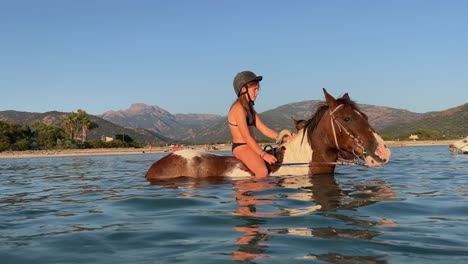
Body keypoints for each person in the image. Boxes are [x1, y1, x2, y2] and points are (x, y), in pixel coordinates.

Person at [228, 71, 295, 179]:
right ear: (244, 89)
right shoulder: (238, 109)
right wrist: (264, 155)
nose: (257, 92)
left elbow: (264, 130)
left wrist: (286, 138)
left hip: (250, 146)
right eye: (254, 89)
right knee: (262, 172)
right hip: (241, 147)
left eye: (258, 89)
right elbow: (247, 137)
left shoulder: (249, 109)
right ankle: (245, 194)